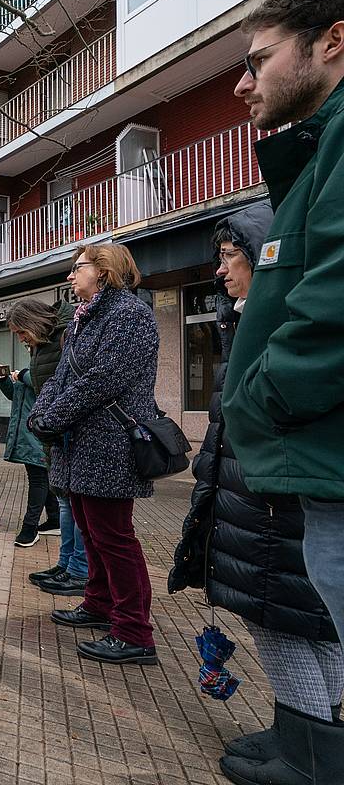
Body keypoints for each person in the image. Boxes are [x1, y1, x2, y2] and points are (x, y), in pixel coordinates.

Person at [169, 203, 343, 784]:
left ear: (265, 259)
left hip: (275, 504)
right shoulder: (247, 320)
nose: (220, 272)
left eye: (229, 257)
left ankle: (311, 753)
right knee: (309, 620)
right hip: (269, 500)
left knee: (281, 621)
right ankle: (304, 731)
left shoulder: (275, 325)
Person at [219, 0, 344, 779]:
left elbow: (330, 307)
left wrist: (256, 398)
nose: (242, 83)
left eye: (259, 59)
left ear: (332, 41)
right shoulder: (320, 151)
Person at [29, 244, 160, 666]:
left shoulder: (128, 314)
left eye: (77, 267)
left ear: (103, 271)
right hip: (81, 444)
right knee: (91, 530)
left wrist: (53, 417)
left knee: (115, 537)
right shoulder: (84, 319)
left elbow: (103, 380)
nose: (70, 276)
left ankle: (134, 632)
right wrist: (40, 414)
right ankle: (99, 604)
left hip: (111, 443)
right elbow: (62, 377)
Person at [5, 298, 90, 597]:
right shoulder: (45, 342)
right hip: (54, 434)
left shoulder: (68, 333)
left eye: (21, 332)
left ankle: (79, 570)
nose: (21, 338)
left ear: (33, 321)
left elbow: (65, 383)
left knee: (76, 505)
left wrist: (49, 419)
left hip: (70, 433)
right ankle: (67, 564)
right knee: (66, 503)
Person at [0, 298, 63, 549]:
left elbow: (48, 385)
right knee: (42, 478)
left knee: (39, 480)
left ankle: (29, 528)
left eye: (22, 332)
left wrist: (23, 375)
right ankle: (54, 520)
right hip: (30, 430)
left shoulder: (49, 353)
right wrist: (4, 381)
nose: (21, 339)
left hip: (39, 430)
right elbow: (18, 396)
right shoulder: (37, 353)